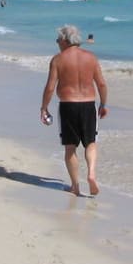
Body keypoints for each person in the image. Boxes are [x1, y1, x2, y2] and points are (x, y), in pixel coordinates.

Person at [40, 24, 108, 197]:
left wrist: (44, 107)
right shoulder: (91, 57)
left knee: (70, 148)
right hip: (88, 105)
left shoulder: (58, 59)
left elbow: (50, 87)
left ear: (65, 40)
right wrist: (103, 104)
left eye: (58, 39)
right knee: (90, 143)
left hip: (68, 105)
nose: (56, 42)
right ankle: (91, 173)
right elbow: (101, 83)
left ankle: (75, 186)